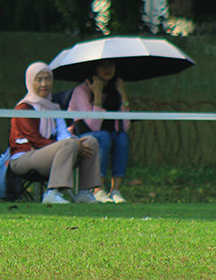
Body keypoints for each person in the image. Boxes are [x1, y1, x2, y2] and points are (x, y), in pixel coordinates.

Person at [9, 62, 103, 204]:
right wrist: (69, 144)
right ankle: (52, 193)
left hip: (51, 154)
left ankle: (84, 192)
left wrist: (76, 143)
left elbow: (63, 134)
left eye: (48, 79)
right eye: (39, 79)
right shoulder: (24, 108)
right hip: (24, 157)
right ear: (30, 81)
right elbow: (35, 140)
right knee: (69, 144)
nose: (44, 84)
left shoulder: (53, 107)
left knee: (90, 141)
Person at [68, 59, 131, 203]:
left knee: (122, 138)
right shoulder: (81, 91)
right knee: (103, 137)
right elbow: (92, 125)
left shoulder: (115, 90)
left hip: (108, 134)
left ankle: (115, 191)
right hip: (83, 135)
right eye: (102, 65)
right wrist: (97, 95)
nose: (107, 68)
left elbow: (124, 126)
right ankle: (98, 189)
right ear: (94, 69)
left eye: (111, 65)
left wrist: (123, 96)